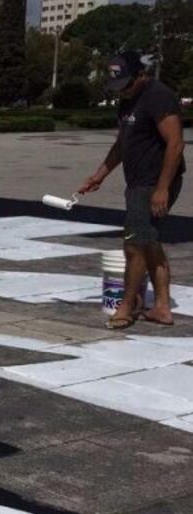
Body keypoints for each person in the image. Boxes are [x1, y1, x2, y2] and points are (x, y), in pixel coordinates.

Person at [78, 50, 186, 329]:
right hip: (137, 182)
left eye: (125, 85)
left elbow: (175, 144)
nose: (121, 92)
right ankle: (162, 307)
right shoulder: (127, 101)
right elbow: (122, 143)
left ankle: (126, 305)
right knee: (148, 242)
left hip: (154, 182)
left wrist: (162, 188)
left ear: (141, 75)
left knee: (133, 244)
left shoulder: (159, 96)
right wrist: (99, 175)